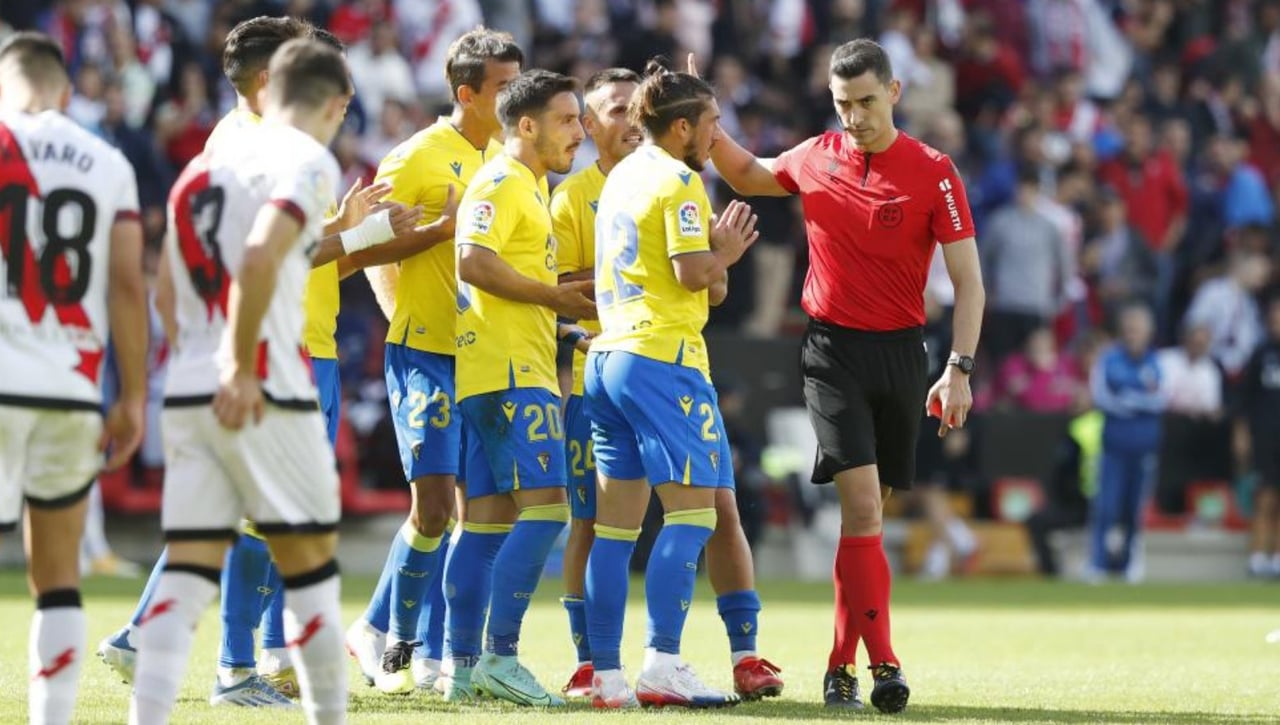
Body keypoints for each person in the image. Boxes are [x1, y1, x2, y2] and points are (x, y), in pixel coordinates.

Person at [98, 17, 414, 705]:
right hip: (276, 349)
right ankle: (241, 664)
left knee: (225, 513)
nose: (340, 101)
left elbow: (184, 273)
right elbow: (268, 255)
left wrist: (349, 233)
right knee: (277, 518)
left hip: (256, 346)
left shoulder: (215, 156)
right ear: (277, 79)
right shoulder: (283, 152)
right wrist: (356, 234)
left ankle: (175, 641)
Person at [697, 38, 985, 713]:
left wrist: (959, 368)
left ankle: (838, 667)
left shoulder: (935, 172)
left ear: (894, 93)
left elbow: (969, 283)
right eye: (842, 103)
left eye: (865, 101)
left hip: (903, 356)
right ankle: (885, 662)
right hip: (831, 352)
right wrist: (705, 114)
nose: (853, 116)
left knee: (868, 520)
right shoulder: (816, 155)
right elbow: (747, 172)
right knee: (860, 508)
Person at [552, 67, 783, 701]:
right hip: (662, 358)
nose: (716, 136)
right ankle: (663, 662)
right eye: (711, 124)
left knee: (614, 529)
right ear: (682, 126)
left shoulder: (619, 178)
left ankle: (606, 674)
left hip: (606, 358)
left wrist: (713, 262)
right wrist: (726, 252)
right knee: (694, 515)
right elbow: (693, 275)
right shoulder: (680, 181)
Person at [341, 27, 523, 695]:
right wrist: (406, 300)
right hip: (424, 350)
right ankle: (393, 636)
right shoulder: (416, 157)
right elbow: (358, 250)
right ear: (466, 93)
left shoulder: (507, 159)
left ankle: (415, 643)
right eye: (503, 88)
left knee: (475, 514)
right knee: (436, 506)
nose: (514, 100)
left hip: (486, 358)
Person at [0, 31, 148, 725]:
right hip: (69, 386)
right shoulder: (107, 160)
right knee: (57, 578)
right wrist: (133, 397)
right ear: (64, 90)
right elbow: (126, 284)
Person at [444, 68, 592, 706]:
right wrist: (553, 297)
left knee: (484, 526)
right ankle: (500, 656)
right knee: (549, 508)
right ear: (526, 126)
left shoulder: (527, 187)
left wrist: (565, 327)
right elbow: (472, 262)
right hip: (511, 374)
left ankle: (460, 668)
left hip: (494, 369)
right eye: (567, 120)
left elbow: (509, 285)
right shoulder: (503, 181)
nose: (579, 132)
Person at [1086, 302, 1165, 584]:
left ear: (1148, 332)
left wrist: (1128, 398)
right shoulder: (1108, 360)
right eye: (1129, 328)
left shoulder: (1157, 361)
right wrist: (1139, 400)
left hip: (1144, 447)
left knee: (1135, 509)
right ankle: (1097, 564)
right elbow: (1102, 398)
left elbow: (1160, 400)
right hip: (1113, 446)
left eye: (1138, 329)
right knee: (1106, 506)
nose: (1133, 334)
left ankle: (1131, 564)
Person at [1236, 296, 1280, 578]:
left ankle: (1277, 557)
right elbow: (1244, 400)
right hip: (1265, 437)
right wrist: (1241, 435)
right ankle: (1257, 555)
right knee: (1264, 496)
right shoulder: (1260, 354)